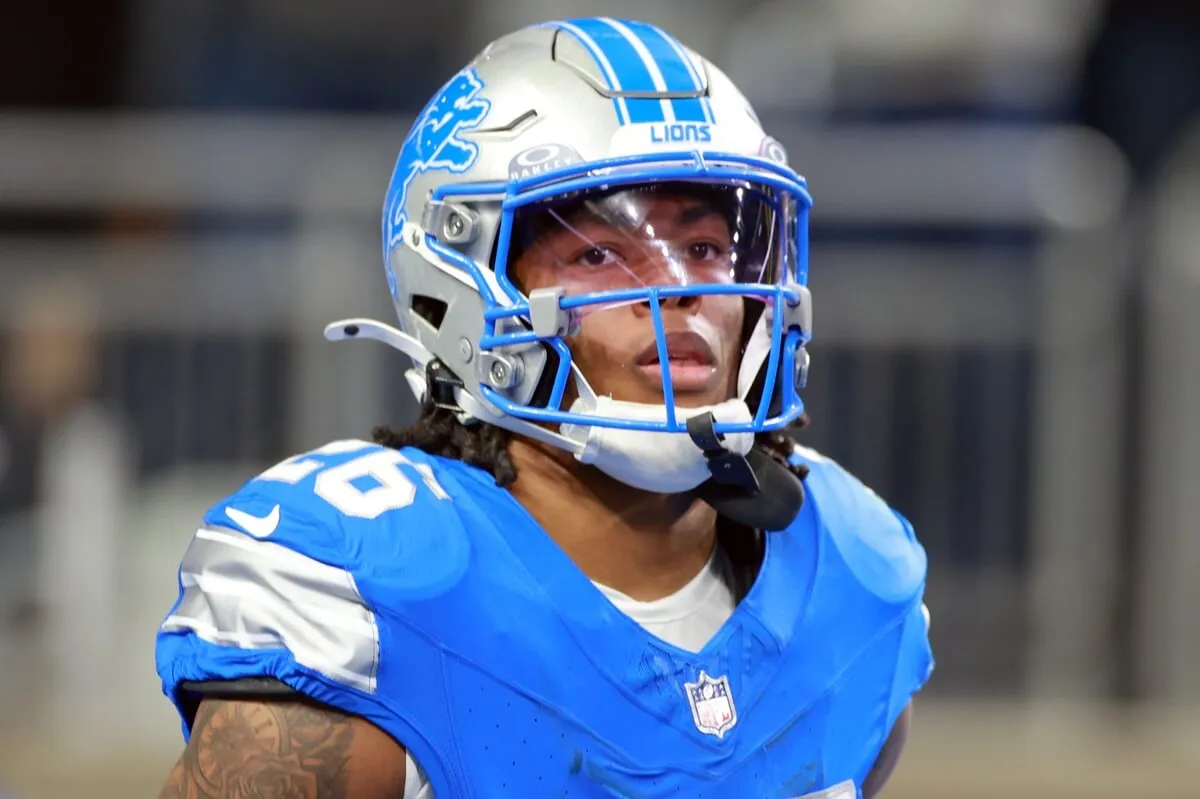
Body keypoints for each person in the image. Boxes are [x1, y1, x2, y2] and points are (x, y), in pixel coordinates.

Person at [155, 16, 933, 799]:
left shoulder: (850, 567)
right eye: (599, 255)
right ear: (460, 285)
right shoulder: (374, 595)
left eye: (703, 248)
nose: (680, 289)